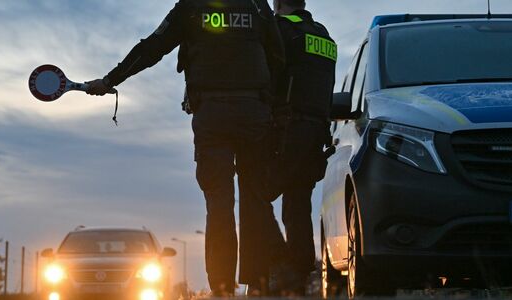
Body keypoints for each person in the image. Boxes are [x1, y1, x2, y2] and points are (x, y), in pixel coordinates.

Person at [84, 0, 285, 296]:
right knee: (255, 200)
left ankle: (222, 287)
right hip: (254, 112)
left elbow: (152, 48)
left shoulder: (192, 6)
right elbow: (277, 56)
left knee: (218, 203)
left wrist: (110, 80)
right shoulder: (256, 5)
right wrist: (271, 106)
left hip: (212, 114)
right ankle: (258, 285)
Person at [266, 0, 337, 295]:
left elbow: (269, 78)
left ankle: (283, 265)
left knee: (258, 194)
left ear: (278, 3)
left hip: (286, 128)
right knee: (297, 203)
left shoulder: (280, 30)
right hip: (316, 132)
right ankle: (299, 273)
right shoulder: (324, 35)